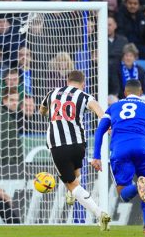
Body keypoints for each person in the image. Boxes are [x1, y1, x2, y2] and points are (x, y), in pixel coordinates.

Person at [39, 70, 111, 231]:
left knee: (71, 184)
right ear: (83, 83)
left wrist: (48, 114)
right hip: (79, 145)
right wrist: (109, 126)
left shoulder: (52, 93)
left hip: (58, 145)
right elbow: (102, 114)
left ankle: (100, 214)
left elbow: (42, 110)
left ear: (67, 81)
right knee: (75, 176)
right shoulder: (85, 96)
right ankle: (72, 194)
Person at [93, 79, 145, 236]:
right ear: (141, 92)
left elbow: (100, 131)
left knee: (123, 193)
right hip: (143, 148)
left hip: (120, 149)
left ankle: (137, 186)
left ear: (124, 93)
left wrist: (96, 156)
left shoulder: (113, 107)